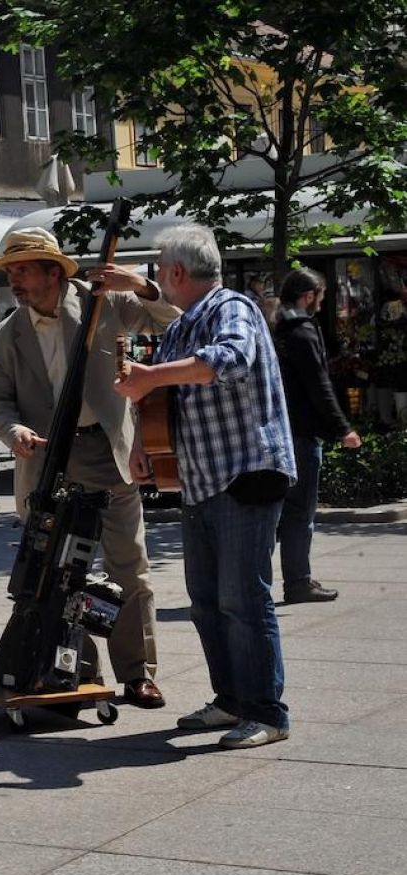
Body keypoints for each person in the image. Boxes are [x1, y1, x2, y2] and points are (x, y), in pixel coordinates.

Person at [115, 224, 296, 750]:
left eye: (159, 272)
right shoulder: (181, 325)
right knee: (207, 601)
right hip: (201, 479)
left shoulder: (231, 308)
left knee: (244, 599)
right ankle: (231, 701)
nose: (158, 281)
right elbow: (158, 398)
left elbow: (227, 360)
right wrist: (140, 445)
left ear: (175, 272)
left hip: (245, 473)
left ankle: (267, 711)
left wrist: (151, 375)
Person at [0, 227, 179, 710]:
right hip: (49, 461)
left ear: (55, 272)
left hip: (107, 453)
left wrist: (141, 284)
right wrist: (14, 433)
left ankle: (137, 675)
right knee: (56, 574)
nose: (14, 280)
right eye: (10, 271)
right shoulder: (9, 333)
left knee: (128, 570)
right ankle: (74, 671)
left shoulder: (101, 304)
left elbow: (172, 321)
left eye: (22, 269)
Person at [274, 267, 362, 603]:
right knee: (299, 512)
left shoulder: (277, 330)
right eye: (320, 298)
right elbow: (319, 386)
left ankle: (258, 584)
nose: (321, 306)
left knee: (276, 512)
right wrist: (343, 429)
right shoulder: (303, 333)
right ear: (307, 296)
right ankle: (298, 582)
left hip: (280, 433)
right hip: (303, 436)